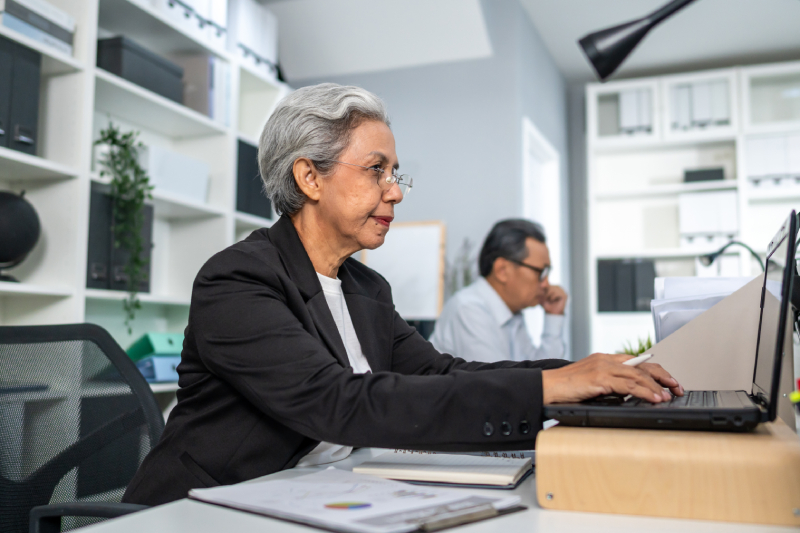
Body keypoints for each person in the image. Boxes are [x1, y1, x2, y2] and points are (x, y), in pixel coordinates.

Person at [123, 83, 682, 506]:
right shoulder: (238, 280)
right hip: (208, 508)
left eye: (395, 172)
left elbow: (440, 374)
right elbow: (339, 403)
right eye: (376, 170)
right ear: (309, 179)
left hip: (318, 494)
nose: (395, 190)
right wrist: (546, 388)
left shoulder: (365, 287)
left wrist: (581, 376)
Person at [429, 219, 568, 363]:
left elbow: (545, 372)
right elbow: (497, 382)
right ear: (502, 270)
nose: (546, 284)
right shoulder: (468, 309)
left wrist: (554, 316)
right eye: (540, 272)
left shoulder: (512, 314)